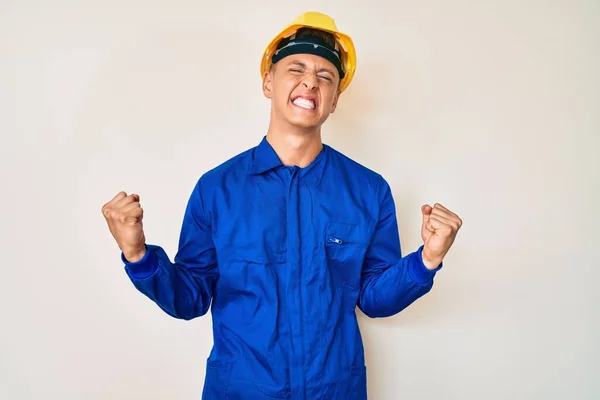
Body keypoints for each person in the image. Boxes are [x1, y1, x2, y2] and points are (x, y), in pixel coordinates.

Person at [101, 11, 462, 399]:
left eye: (326, 76)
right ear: (268, 82)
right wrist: (137, 254)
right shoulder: (217, 189)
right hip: (240, 391)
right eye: (296, 69)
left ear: (335, 100)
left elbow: (374, 298)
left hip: (334, 389)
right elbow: (190, 298)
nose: (311, 82)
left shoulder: (368, 190)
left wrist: (427, 259)